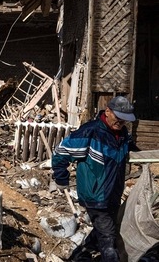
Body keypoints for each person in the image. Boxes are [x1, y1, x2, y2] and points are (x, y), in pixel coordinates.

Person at [52, 96, 138, 261]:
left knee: (106, 230)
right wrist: (61, 178)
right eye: (118, 118)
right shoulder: (90, 132)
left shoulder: (122, 134)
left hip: (113, 194)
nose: (121, 123)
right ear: (107, 111)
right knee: (109, 240)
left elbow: (130, 149)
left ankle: (78, 256)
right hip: (95, 196)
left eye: (125, 121)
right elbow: (61, 152)